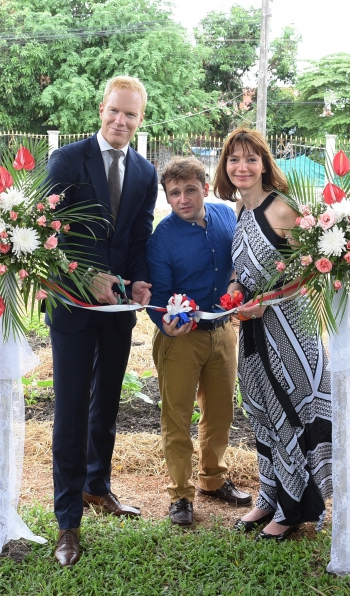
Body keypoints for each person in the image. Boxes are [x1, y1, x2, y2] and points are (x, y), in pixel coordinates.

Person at [45, 76, 159, 566]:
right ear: (101, 109)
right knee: (71, 408)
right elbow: (43, 232)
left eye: (131, 115)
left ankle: (97, 487)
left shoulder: (146, 171)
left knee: (107, 402)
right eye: (115, 111)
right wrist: (85, 276)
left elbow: (138, 237)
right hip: (72, 306)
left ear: (140, 119)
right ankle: (68, 522)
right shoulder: (68, 160)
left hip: (118, 312)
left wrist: (138, 281)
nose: (122, 121)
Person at [214, 128, 333, 541]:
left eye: (250, 159)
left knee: (292, 413)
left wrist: (268, 300)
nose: (241, 167)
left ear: (264, 163)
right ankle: (270, 496)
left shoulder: (282, 208)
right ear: (225, 167)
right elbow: (240, 267)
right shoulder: (241, 212)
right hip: (253, 331)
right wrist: (234, 289)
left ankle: (294, 509)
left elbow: (314, 269)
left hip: (290, 331)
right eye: (234, 160)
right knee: (263, 415)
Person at [145, 157, 252, 526]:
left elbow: (240, 260)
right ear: (167, 197)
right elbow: (158, 293)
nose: (183, 199)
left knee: (221, 413)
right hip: (180, 341)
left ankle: (213, 478)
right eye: (174, 193)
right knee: (176, 418)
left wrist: (238, 286)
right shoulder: (162, 238)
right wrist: (165, 323)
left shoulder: (225, 216)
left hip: (223, 332)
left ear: (204, 188)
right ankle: (180, 495)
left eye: (190, 189)